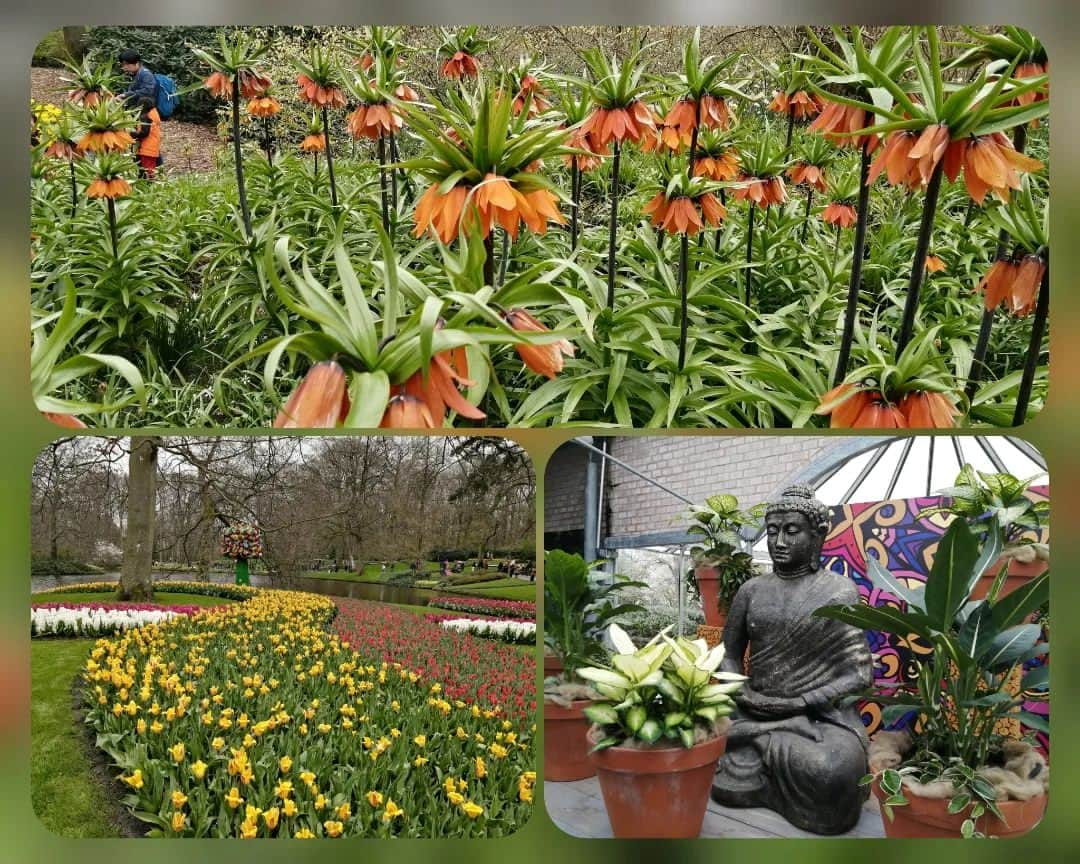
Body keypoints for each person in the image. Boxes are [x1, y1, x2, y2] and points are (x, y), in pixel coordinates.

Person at [711, 485, 873, 835]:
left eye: (792, 531)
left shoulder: (838, 591)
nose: (779, 541)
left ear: (817, 536)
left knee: (833, 772)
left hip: (816, 717)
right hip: (751, 707)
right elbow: (728, 653)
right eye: (772, 532)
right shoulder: (751, 590)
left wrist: (800, 702)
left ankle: (756, 743)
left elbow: (860, 673)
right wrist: (740, 692)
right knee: (696, 735)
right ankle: (758, 735)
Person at [132, 97, 162, 180]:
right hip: (152, 147)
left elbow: (144, 133)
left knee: (148, 171)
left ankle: (150, 186)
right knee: (151, 169)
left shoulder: (146, 117)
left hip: (146, 148)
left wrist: (130, 134)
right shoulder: (153, 114)